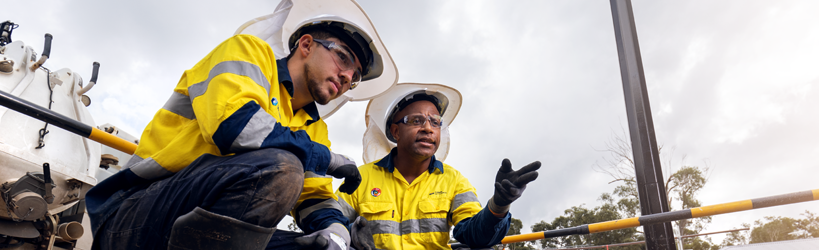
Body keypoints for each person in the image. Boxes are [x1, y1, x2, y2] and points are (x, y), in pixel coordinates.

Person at [84, 0, 396, 249]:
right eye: (342, 57)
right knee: (283, 168)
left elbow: (313, 198)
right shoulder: (248, 54)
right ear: (305, 45)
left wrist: (337, 232)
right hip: (135, 213)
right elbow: (234, 127)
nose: (346, 76)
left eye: (354, 77)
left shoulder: (314, 129)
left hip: (205, 233)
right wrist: (326, 158)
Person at [288, 83, 541, 249]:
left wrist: (499, 205)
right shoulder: (362, 178)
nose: (428, 128)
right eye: (417, 120)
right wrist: (349, 234)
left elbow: (475, 236)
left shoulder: (453, 181)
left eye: (435, 121)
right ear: (395, 131)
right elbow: (329, 223)